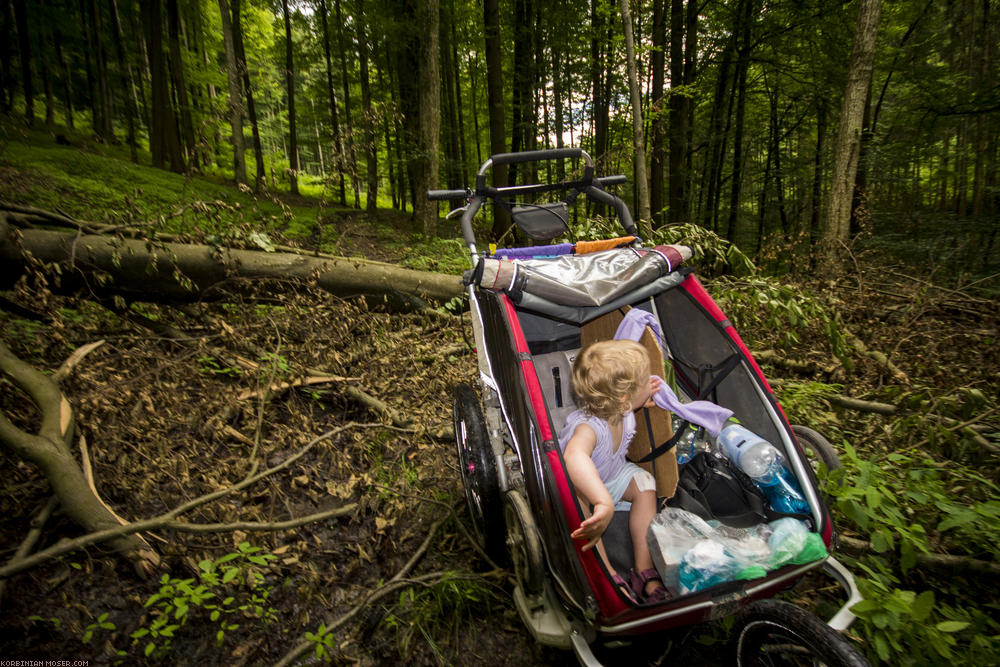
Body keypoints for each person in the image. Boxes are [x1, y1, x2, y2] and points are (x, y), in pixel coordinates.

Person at [559, 339, 668, 603]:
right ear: (623, 399)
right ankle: (608, 574)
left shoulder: (624, 410)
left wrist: (642, 399)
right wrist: (602, 500)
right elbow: (573, 455)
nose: (650, 380)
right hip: (586, 487)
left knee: (645, 482)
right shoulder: (588, 427)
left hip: (613, 476)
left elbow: (631, 403)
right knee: (579, 503)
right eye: (644, 381)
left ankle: (643, 570)